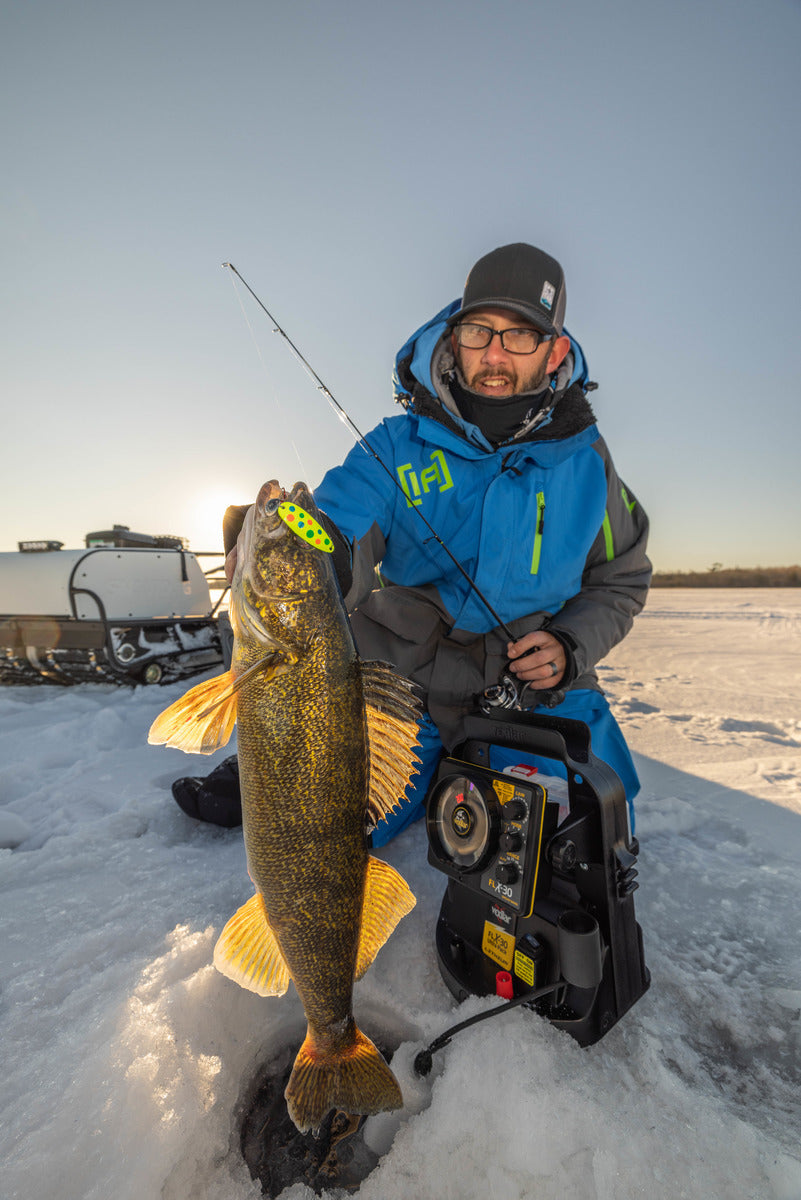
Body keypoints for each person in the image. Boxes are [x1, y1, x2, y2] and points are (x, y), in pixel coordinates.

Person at [173, 242, 651, 844]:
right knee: (331, 830)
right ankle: (300, 764)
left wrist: (570, 645)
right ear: (454, 339)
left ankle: (455, 768)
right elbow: (340, 525)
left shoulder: (589, 464)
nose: (495, 353)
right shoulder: (394, 446)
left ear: (554, 351)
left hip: (533, 690)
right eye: (479, 332)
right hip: (401, 677)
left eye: (521, 335)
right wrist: (302, 546)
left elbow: (620, 580)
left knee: (584, 837)